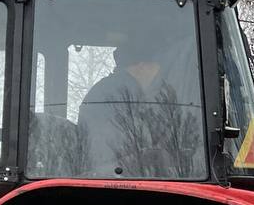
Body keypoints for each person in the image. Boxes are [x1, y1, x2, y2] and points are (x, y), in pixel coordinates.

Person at [77, 35, 190, 178]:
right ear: (141, 66)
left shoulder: (111, 91)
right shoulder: (119, 95)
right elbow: (115, 150)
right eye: (156, 69)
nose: (159, 77)